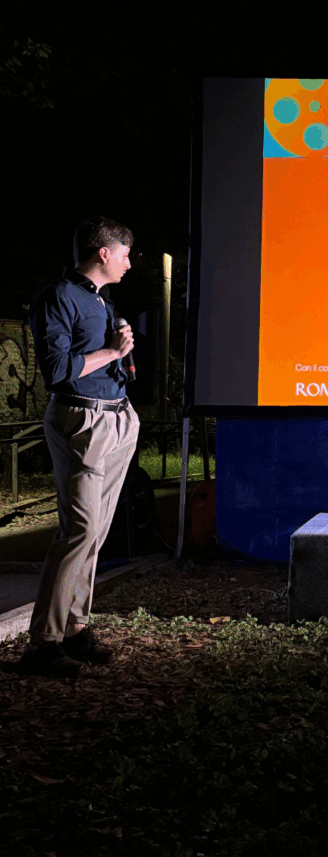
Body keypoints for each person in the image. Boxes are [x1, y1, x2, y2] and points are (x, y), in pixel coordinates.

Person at [18, 217, 140, 678]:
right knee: (80, 530)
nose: (130, 263)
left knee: (96, 533)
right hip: (82, 420)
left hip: (116, 418)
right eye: (125, 254)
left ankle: (75, 629)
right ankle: (42, 645)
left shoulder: (102, 300)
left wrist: (121, 354)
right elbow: (57, 370)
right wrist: (112, 352)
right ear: (103, 253)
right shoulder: (57, 298)